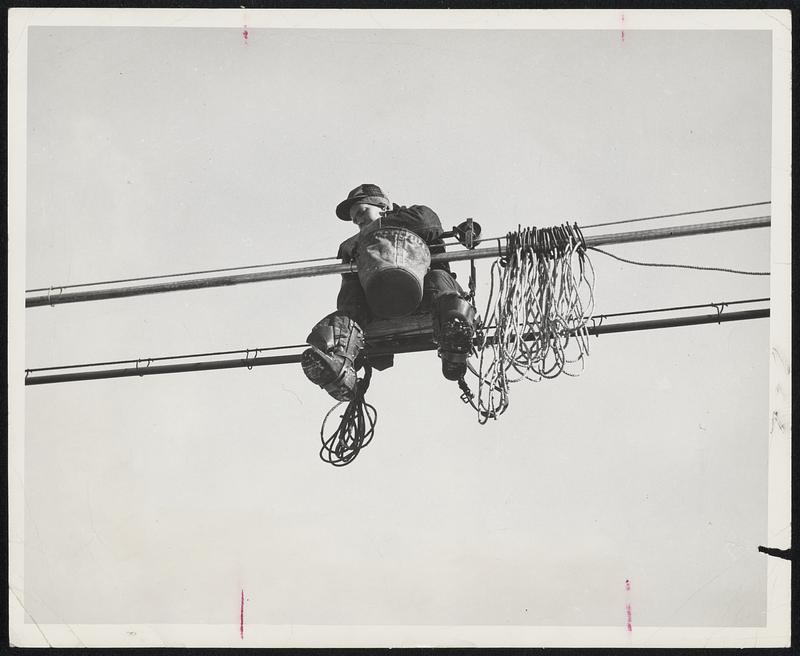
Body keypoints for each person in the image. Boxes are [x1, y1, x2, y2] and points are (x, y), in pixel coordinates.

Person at [301, 183, 476, 401]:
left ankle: (455, 342)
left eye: (362, 212)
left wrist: (375, 229)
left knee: (438, 279)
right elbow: (349, 292)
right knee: (349, 301)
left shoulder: (415, 216)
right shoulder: (359, 247)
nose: (359, 221)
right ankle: (339, 366)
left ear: (383, 206)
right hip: (378, 309)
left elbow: (428, 222)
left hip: (429, 299)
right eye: (355, 220)